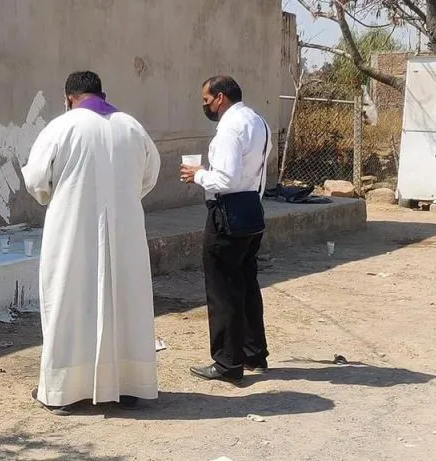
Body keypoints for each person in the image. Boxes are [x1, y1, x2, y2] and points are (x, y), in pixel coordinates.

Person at [22, 71, 161, 415]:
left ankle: (63, 392)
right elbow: (150, 175)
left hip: (72, 230)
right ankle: (129, 386)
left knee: (69, 303)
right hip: (125, 230)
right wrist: (122, 198)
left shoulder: (62, 126)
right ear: (103, 92)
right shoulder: (132, 126)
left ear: (68, 97)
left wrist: (62, 194)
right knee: (125, 303)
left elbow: (38, 180)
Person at [179, 75, 272, 384]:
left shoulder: (230, 129)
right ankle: (253, 353)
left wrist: (199, 175)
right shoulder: (258, 121)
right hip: (251, 211)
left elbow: (226, 179)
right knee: (245, 284)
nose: (205, 107)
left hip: (226, 213)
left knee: (223, 289)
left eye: (206, 101)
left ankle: (227, 363)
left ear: (220, 98)